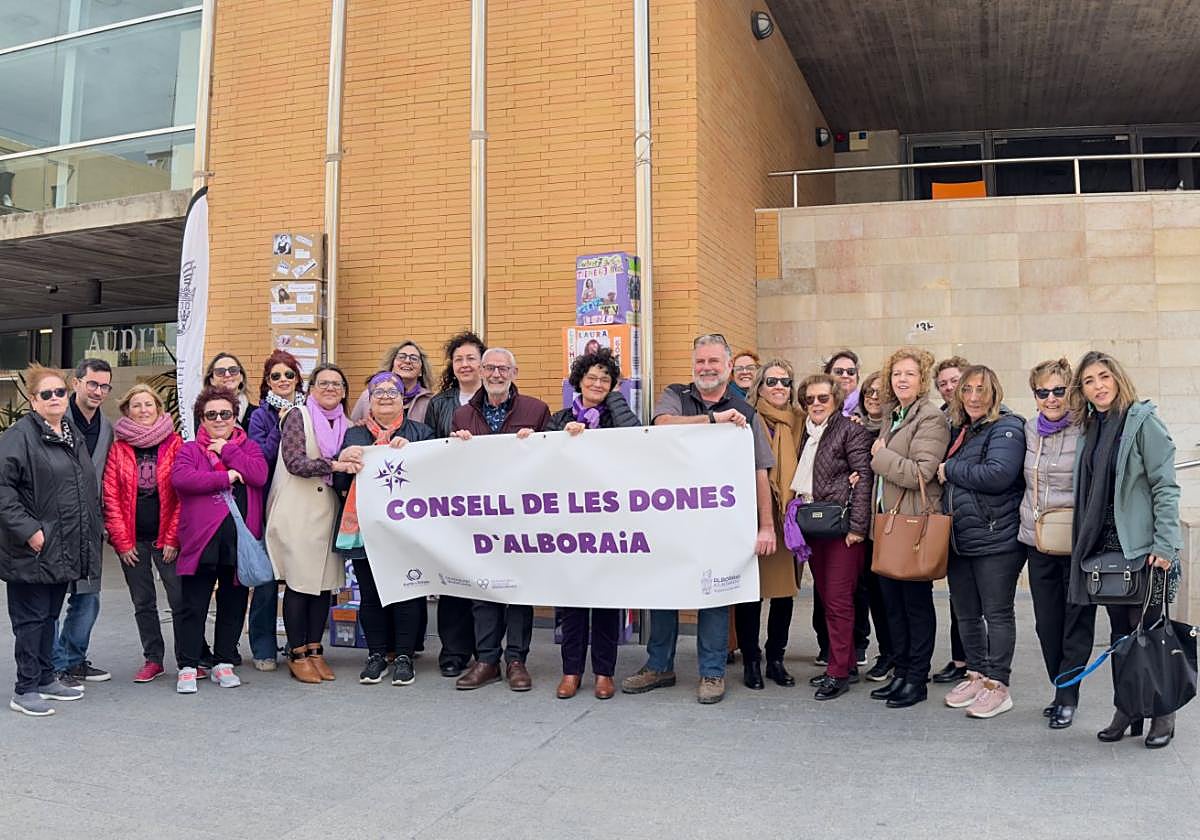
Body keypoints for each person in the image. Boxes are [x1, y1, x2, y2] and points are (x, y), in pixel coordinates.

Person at [621, 334, 776, 705]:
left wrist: (767, 525)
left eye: (713, 361)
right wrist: (713, 420)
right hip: (671, 519)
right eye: (700, 361)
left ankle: (712, 672)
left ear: (728, 367)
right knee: (664, 589)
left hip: (720, 522)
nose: (706, 368)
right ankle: (659, 666)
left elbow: (760, 471)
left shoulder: (747, 412)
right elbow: (662, 424)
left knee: (714, 593)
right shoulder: (676, 395)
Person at [1068, 351, 1182, 749]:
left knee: (1150, 631)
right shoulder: (1091, 427)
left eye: (1104, 376)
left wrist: (1165, 544)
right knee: (1120, 634)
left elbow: (1165, 486)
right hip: (1106, 550)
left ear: (1117, 378)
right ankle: (1128, 708)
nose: (1098, 386)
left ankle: (1163, 713)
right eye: (1089, 381)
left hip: (1143, 547)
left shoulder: (1142, 422)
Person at [450, 348, 552, 692]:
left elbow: (553, 461)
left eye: (503, 369)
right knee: (484, 589)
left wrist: (537, 445)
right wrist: (455, 446)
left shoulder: (536, 410)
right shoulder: (462, 415)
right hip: (480, 516)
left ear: (514, 372)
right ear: (480, 371)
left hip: (523, 516)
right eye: (490, 368)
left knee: (519, 589)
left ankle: (517, 660)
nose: (496, 374)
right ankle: (487, 660)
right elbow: (452, 467)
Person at [0, 365, 100, 715]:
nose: (55, 398)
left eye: (60, 392)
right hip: (32, 547)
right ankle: (25, 688)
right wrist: (29, 530)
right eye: (47, 394)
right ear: (33, 400)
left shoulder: (70, 432)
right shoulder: (19, 436)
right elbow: (3, 490)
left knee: (49, 615)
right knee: (30, 619)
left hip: (63, 544)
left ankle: (45, 678)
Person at [546, 349, 639, 700]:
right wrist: (562, 437)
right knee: (572, 602)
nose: (597, 383)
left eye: (605, 379)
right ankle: (571, 672)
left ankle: (604, 673)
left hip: (609, 523)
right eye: (591, 378)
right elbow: (541, 459)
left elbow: (634, 436)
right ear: (578, 382)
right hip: (569, 524)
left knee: (605, 601)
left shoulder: (617, 417)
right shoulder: (559, 419)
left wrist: (614, 400)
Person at [936, 366, 1026, 719]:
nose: (974, 397)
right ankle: (975, 675)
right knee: (966, 613)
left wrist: (950, 470)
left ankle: (998, 686)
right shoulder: (960, 428)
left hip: (995, 538)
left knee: (997, 613)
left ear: (994, 393)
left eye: (981, 390)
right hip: (960, 538)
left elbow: (998, 474)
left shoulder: (1007, 427)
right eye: (967, 389)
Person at [335, 371, 434, 687]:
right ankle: (376, 654)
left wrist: (413, 454)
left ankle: (404, 656)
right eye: (378, 391)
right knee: (370, 594)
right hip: (365, 527)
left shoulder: (420, 432)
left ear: (403, 399)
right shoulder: (354, 435)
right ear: (369, 400)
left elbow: (435, 476)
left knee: (407, 592)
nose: (386, 396)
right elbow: (340, 480)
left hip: (407, 528)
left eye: (393, 391)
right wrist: (343, 460)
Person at [265, 364, 362, 684]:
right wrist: (335, 465)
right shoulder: (298, 416)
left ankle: (315, 650)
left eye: (337, 383)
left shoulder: (348, 425)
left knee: (323, 585)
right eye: (323, 383)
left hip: (328, 512)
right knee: (300, 583)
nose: (330, 388)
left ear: (344, 391)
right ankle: (296, 652)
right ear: (311, 389)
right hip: (298, 510)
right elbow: (295, 462)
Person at [170, 386, 268, 694]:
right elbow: (182, 479)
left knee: (233, 603)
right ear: (201, 418)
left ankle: (224, 661)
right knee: (193, 605)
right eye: (211, 414)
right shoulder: (190, 450)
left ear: (235, 416)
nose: (218, 419)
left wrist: (227, 450)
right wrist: (225, 477)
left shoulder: (248, 447)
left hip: (238, 541)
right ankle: (188, 664)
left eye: (225, 413)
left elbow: (259, 474)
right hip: (202, 540)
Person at [868, 347, 949, 709]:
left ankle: (916, 679)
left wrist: (880, 457)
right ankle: (900, 672)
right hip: (889, 524)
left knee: (915, 605)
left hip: (912, 525)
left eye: (910, 374)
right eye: (897, 373)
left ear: (922, 380)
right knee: (893, 606)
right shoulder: (894, 415)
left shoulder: (929, 418)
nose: (902, 379)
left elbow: (921, 473)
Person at [1018, 357, 1093, 730]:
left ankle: (1067, 696)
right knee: (1047, 624)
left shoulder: (1087, 428)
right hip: (1038, 541)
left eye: (1058, 390)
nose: (1051, 398)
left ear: (1071, 391)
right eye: (1042, 392)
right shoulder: (1029, 430)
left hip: (1078, 543)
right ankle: (1060, 684)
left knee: (1076, 623)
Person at [794, 374, 873, 700]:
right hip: (814, 526)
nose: (816, 404)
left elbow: (864, 478)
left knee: (839, 601)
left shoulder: (850, 430)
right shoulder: (805, 432)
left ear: (836, 400)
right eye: (809, 399)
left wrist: (857, 527)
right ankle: (846, 663)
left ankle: (838, 672)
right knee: (828, 598)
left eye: (823, 398)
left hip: (842, 529)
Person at [102, 384, 184, 684]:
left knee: (180, 600)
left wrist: (173, 538)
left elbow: (183, 495)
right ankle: (153, 659)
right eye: (136, 405)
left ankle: (188, 658)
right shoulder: (119, 448)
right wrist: (122, 543)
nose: (143, 410)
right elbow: (110, 496)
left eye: (148, 404)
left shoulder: (175, 444)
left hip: (167, 540)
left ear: (158, 408)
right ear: (127, 411)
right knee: (143, 602)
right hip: (133, 541)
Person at [734, 359, 802, 690]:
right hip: (753, 516)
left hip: (788, 518)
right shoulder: (744, 419)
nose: (779, 387)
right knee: (751, 593)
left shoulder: (801, 421)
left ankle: (776, 658)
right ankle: (751, 659)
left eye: (785, 382)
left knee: (784, 593)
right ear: (759, 387)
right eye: (772, 381)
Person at [424, 331, 486, 677]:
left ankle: (485, 650)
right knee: (452, 577)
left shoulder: (497, 396)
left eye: (471, 358)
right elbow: (429, 446)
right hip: (450, 500)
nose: (464, 364)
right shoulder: (440, 403)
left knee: (483, 576)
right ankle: (453, 651)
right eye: (458, 359)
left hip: (487, 500)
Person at [52, 358, 113, 687]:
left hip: (90, 523)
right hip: (55, 523)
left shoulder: (107, 428)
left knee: (88, 597)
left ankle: (74, 660)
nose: (98, 391)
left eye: (104, 386)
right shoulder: (53, 421)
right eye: (92, 384)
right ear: (76, 383)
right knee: (51, 597)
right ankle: (53, 665)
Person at [245, 350, 306, 671]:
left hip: (304, 503)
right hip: (270, 502)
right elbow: (261, 458)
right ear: (267, 382)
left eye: (289, 374)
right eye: (276, 376)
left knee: (301, 576)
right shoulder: (260, 416)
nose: (283, 380)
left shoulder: (310, 410)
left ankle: (300, 644)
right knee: (267, 581)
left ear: (297, 378)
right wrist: (282, 426)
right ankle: (263, 647)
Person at [852, 370, 895, 682]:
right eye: (869, 391)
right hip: (864, 524)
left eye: (881, 392)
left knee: (892, 594)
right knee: (873, 593)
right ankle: (886, 653)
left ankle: (898, 655)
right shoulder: (856, 428)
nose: (874, 397)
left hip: (892, 521)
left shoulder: (895, 430)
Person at [931, 355, 970, 685]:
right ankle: (961, 660)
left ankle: (981, 667)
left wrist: (950, 470)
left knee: (986, 603)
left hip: (980, 520)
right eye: (942, 383)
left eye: (954, 380)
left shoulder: (992, 418)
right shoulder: (942, 419)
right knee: (959, 596)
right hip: (949, 516)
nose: (948, 387)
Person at [351, 341, 434, 424]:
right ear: (392, 365)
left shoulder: (430, 401)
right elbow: (352, 427)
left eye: (414, 358)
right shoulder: (368, 395)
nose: (407, 361)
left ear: (421, 371)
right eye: (401, 357)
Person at [204, 352, 256, 427]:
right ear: (212, 380)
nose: (227, 375)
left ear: (241, 377)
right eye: (220, 371)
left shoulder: (258, 414)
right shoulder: (203, 414)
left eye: (233, 370)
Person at [824, 349, 861, 418]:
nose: (845, 375)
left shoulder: (868, 405)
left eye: (851, 371)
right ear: (827, 375)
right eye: (838, 371)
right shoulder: (817, 404)